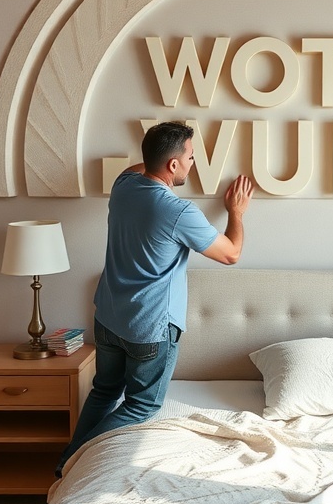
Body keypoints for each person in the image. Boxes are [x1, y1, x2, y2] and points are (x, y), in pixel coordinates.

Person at [56, 120, 254, 476]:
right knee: (141, 405)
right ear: (173, 164)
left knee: (104, 391)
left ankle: (66, 460)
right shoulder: (178, 212)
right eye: (190, 158)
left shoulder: (124, 186)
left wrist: (157, 155)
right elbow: (231, 255)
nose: (194, 164)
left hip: (109, 318)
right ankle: (74, 462)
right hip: (149, 328)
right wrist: (236, 213)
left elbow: (140, 168)